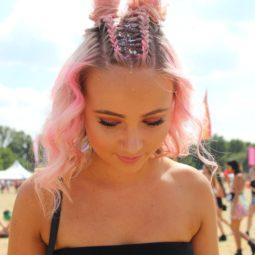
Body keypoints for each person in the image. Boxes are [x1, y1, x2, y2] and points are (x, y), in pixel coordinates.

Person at [8, 1, 219, 255]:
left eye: (153, 121)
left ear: (175, 107)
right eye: (109, 122)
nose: (133, 144)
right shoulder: (42, 198)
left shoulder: (194, 191)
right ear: (77, 108)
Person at [227, 160, 248, 255]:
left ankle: (240, 249)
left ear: (232, 167)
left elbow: (237, 192)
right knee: (235, 228)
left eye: (228, 167)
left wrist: (233, 208)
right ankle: (248, 244)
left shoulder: (237, 176)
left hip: (237, 203)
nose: (227, 169)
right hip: (239, 202)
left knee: (234, 228)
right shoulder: (239, 175)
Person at [202, 165, 227, 242]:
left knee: (216, 218)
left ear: (207, 168)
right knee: (217, 218)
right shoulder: (211, 176)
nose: (203, 168)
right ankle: (222, 234)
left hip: (210, 198)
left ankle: (222, 234)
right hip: (213, 197)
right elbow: (216, 188)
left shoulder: (206, 176)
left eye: (204, 167)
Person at [246, 165, 255, 236]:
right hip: (253, 199)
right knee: (249, 216)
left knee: (250, 215)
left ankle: (248, 230)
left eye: (251, 172)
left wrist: (251, 188)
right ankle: (248, 230)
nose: (250, 173)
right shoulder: (252, 181)